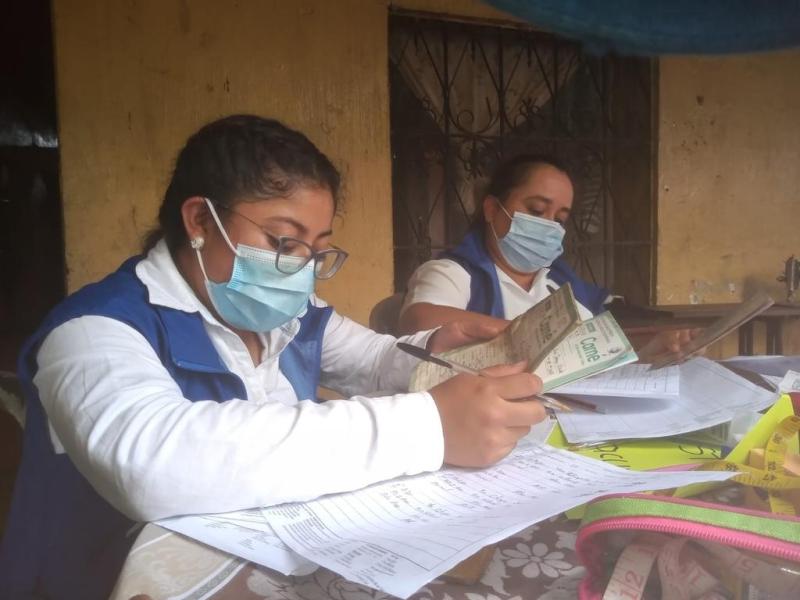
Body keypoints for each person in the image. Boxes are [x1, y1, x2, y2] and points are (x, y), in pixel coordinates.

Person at [0, 116, 545, 600]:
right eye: (285, 243)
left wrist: (437, 352)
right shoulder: (92, 330)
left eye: (317, 248)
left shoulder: (289, 313)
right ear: (200, 221)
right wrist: (427, 427)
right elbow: (149, 465)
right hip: (104, 581)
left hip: (273, 559)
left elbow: (374, 360)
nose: (303, 269)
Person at [397, 154, 696, 359]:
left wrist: (657, 344)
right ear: (491, 209)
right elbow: (418, 321)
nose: (550, 225)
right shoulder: (453, 273)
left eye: (560, 218)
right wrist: (530, 335)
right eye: (537, 210)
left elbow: (601, 344)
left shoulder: (561, 283)